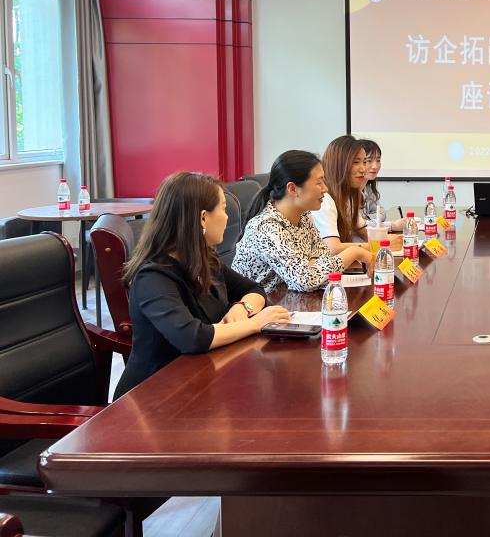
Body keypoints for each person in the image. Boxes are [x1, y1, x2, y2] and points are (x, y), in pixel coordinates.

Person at [114, 172, 291, 398]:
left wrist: (242, 308)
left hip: (199, 379)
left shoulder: (205, 259)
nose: (227, 217)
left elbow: (254, 290)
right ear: (203, 218)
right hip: (152, 396)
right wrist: (255, 324)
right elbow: (192, 338)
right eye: (224, 209)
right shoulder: (153, 277)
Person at [232, 150, 370, 293]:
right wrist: (354, 252)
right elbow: (304, 280)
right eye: (319, 182)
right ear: (293, 189)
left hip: (287, 299)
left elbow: (322, 257)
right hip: (255, 304)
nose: (325, 189)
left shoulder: (303, 216)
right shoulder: (266, 227)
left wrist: (313, 267)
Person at [360, 137, 406, 231]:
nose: (375, 166)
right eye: (369, 161)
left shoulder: (367, 187)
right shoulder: (349, 191)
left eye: (378, 160)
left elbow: (381, 213)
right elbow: (359, 226)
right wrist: (392, 226)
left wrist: (367, 219)